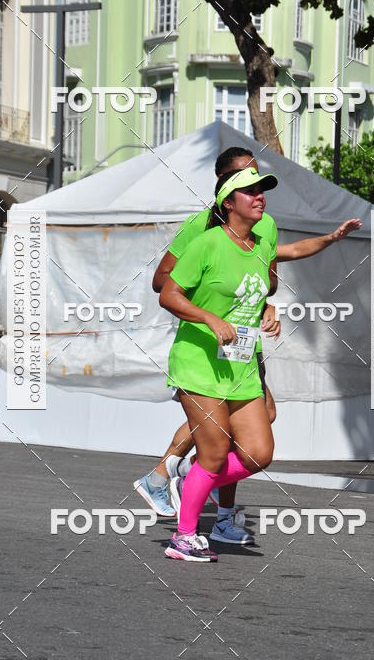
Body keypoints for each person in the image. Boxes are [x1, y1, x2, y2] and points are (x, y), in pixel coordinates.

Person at [134, 146, 362, 541]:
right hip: (206, 345)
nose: (258, 189)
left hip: (243, 345)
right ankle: (183, 483)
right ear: (224, 186)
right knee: (222, 437)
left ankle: (192, 482)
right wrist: (210, 308)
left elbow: (269, 267)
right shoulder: (202, 232)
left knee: (255, 428)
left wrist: (265, 303)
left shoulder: (264, 229)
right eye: (246, 179)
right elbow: (164, 285)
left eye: (259, 177)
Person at [159, 166, 279, 561]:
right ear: (228, 203)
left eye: (262, 191)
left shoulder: (261, 247)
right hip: (198, 362)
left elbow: (252, 296)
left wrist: (268, 311)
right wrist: (209, 318)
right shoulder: (207, 243)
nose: (259, 196)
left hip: (240, 364)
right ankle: (184, 537)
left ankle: (193, 478)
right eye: (250, 191)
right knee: (212, 454)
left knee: (259, 453)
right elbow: (169, 294)